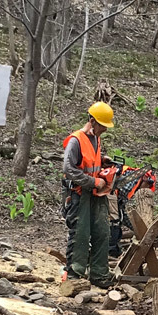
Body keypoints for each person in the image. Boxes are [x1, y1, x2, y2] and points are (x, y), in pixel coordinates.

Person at [61, 102, 115, 288]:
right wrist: (93, 182)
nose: (105, 130)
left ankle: (99, 274)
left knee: (102, 230)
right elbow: (68, 169)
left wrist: (102, 161)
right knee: (81, 233)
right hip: (78, 193)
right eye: (102, 126)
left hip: (95, 193)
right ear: (92, 121)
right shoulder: (76, 140)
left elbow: (89, 160)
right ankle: (74, 276)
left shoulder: (96, 139)